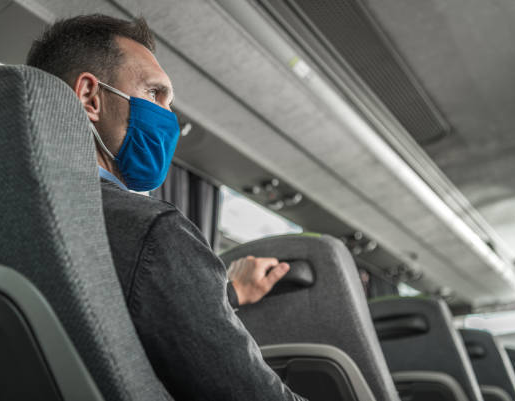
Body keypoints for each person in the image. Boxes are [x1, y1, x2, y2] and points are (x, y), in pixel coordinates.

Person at [27, 14, 306, 400]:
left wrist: (231, 292)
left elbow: (106, 310)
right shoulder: (152, 231)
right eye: (155, 94)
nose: (168, 117)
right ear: (91, 97)